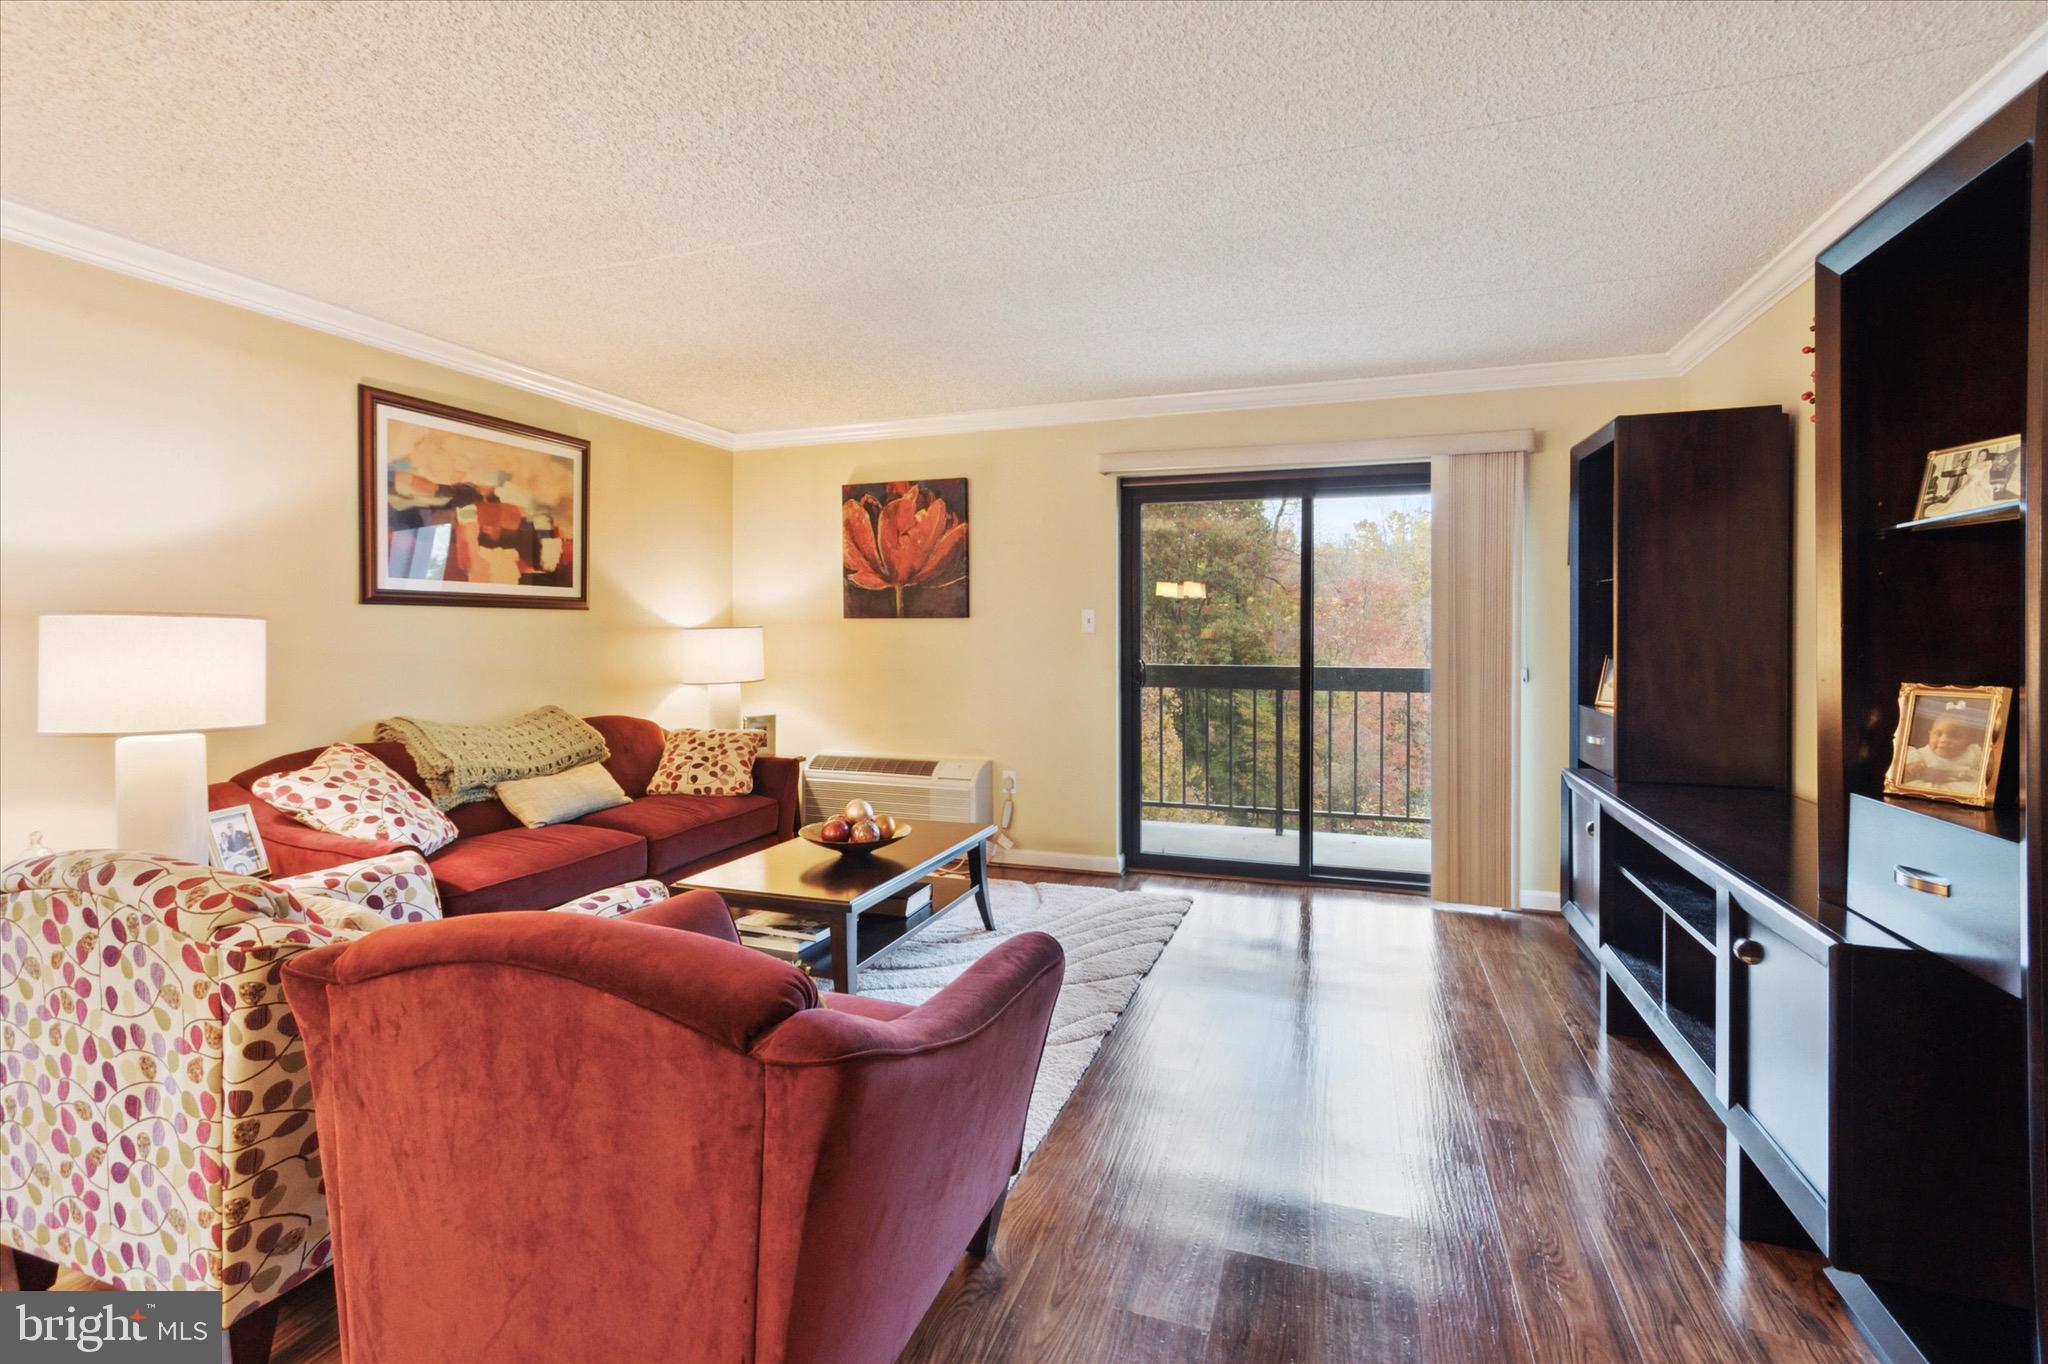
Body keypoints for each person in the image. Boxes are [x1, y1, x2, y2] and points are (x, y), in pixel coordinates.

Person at [1902, 710, 1985, 794]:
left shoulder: (1973, 753)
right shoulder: (1920, 755)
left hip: (1961, 791)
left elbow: (1985, 773)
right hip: (1930, 789)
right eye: (1938, 734)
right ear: (1930, 734)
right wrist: (1911, 769)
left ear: (1968, 740)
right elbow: (1901, 774)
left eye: (1955, 736)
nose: (1944, 740)